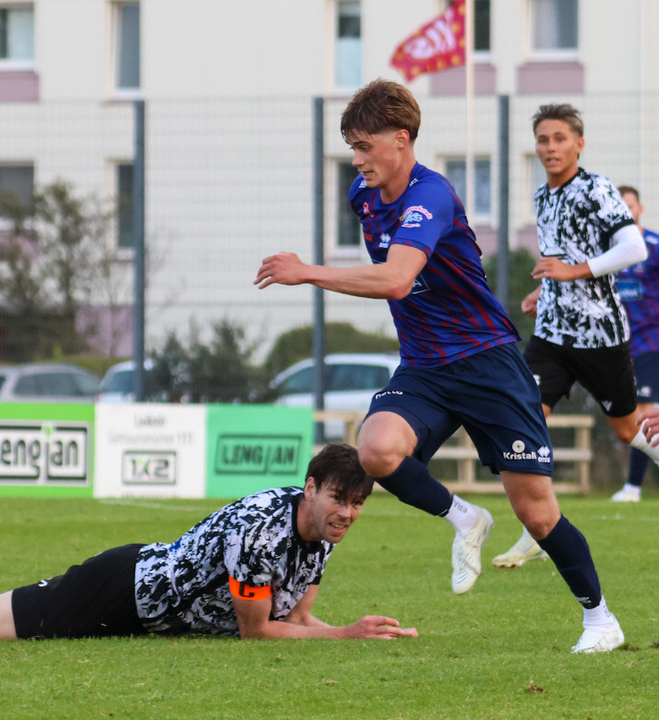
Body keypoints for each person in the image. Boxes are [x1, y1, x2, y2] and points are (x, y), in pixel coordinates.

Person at [254, 80, 624, 653]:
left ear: (401, 139)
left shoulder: (432, 195)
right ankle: (465, 518)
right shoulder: (363, 195)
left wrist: (308, 271)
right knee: (375, 450)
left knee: (536, 512)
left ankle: (600, 619)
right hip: (425, 365)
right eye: (352, 147)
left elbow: (397, 278)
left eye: (364, 146)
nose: (356, 159)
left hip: (487, 362)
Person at [0, 443, 417, 642]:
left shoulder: (319, 533)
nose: (348, 513)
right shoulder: (262, 533)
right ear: (311, 488)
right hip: (122, 593)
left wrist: (346, 630)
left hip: (134, 596)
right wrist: (345, 634)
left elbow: (294, 616)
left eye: (358, 504)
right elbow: (258, 631)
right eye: (339, 499)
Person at [492, 108, 659, 567]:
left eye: (560, 138)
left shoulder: (596, 188)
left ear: (578, 144)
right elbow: (561, 258)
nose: (550, 147)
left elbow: (633, 247)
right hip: (551, 334)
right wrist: (544, 290)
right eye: (543, 139)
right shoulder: (542, 195)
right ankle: (537, 529)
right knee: (522, 419)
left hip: (600, 336)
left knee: (627, 429)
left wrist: (573, 271)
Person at [610, 186, 659, 501]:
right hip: (619, 345)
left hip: (651, 342)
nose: (626, 212)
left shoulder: (654, 246)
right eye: (620, 207)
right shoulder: (608, 252)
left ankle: (633, 487)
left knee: (643, 413)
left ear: (640, 208)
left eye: (630, 206)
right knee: (633, 415)